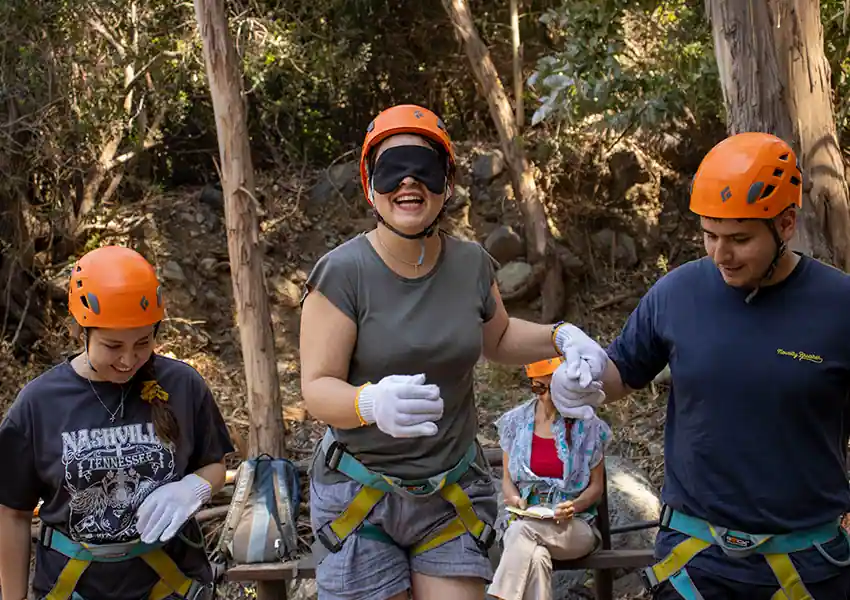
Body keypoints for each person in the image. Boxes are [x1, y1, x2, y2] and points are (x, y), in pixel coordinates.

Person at [298, 103, 603, 600]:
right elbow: (316, 387)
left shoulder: (471, 265)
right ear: (370, 182)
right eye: (392, 170)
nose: (409, 184)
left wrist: (560, 336)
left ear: (448, 180)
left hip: (449, 491)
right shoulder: (341, 272)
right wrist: (368, 404)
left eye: (425, 169)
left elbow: (499, 340)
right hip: (361, 493)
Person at [549, 131, 850, 599]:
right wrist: (581, 381)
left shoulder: (838, 306)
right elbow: (619, 374)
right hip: (696, 559)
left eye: (739, 239)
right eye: (709, 235)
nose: (720, 255)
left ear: (787, 223)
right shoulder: (678, 293)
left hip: (809, 563)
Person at [0, 245, 235, 600]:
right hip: (74, 588)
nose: (128, 360)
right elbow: (12, 514)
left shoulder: (182, 386)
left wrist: (195, 487)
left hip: (171, 586)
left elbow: (215, 464)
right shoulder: (40, 403)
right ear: (81, 331)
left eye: (143, 342)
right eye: (112, 346)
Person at [488, 356, 611, 600]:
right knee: (536, 558)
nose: (544, 396)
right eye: (537, 387)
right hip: (526, 515)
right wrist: (513, 497)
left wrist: (574, 506)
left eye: (551, 388)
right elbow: (507, 480)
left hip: (574, 525)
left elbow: (597, 486)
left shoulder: (588, 427)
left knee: (519, 533)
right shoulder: (515, 422)